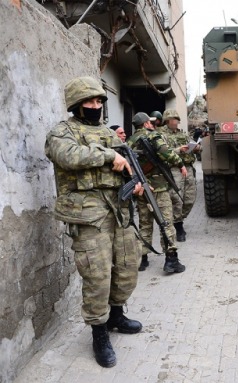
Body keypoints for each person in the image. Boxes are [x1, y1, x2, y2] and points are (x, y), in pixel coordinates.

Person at [45, 76, 144, 368]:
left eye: (99, 101)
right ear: (76, 105)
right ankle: (98, 333)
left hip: (119, 210)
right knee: (97, 276)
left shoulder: (108, 132)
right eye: (89, 101)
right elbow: (67, 156)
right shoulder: (62, 132)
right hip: (88, 215)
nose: (96, 105)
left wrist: (135, 183)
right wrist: (107, 155)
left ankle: (116, 315)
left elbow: (126, 164)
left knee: (127, 267)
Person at [127, 112, 188, 273]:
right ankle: (171, 260)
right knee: (165, 222)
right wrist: (180, 163)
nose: (152, 125)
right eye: (150, 122)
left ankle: (143, 259)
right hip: (159, 188)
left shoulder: (129, 141)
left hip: (141, 188)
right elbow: (166, 152)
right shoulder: (153, 136)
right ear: (146, 124)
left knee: (144, 223)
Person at [160, 109, 201, 242]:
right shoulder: (161, 135)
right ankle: (178, 226)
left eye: (177, 119)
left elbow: (198, 147)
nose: (176, 122)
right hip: (174, 169)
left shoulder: (182, 134)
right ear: (167, 120)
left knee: (190, 197)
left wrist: (196, 147)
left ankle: (177, 219)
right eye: (173, 119)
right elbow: (161, 152)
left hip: (188, 168)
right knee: (177, 198)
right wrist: (179, 150)